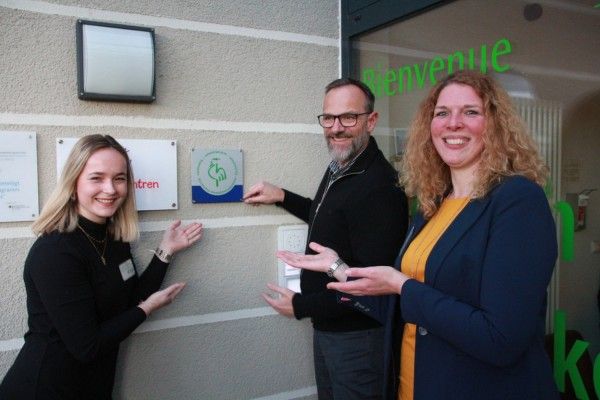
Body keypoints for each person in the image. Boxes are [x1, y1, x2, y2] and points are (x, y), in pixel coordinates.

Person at [278, 71, 559, 399]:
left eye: (470, 112)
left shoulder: (518, 200)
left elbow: (500, 340)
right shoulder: (433, 204)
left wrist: (403, 285)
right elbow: (400, 306)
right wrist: (337, 267)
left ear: (496, 123)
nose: (453, 123)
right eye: (442, 113)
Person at [0, 135, 203, 400]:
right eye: (96, 178)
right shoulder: (55, 251)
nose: (110, 189)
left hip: (92, 386)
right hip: (44, 388)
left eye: (119, 178)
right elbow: (87, 346)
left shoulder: (113, 239)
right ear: (74, 183)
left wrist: (165, 251)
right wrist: (148, 309)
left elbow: (131, 300)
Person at [244, 78, 408, 399]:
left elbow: (372, 289)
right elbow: (330, 217)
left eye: (348, 117)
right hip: (330, 330)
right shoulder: (341, 166)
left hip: (358, 340)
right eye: (329, 118)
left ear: (371, 121)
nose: (336, 128)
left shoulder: (379, 186)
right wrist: (282, 196)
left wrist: (301, 306)